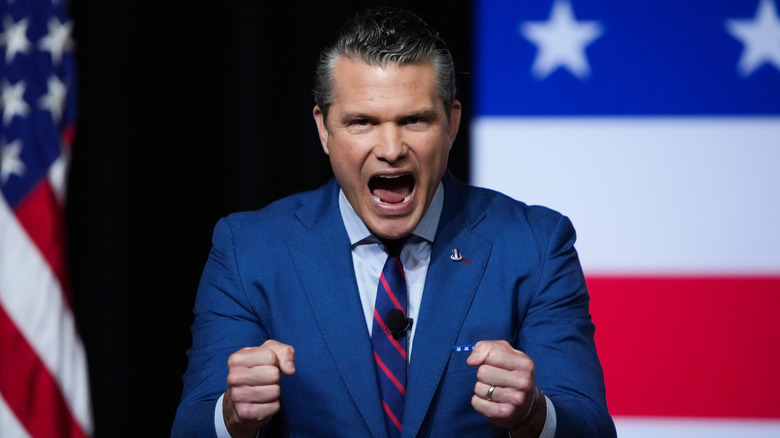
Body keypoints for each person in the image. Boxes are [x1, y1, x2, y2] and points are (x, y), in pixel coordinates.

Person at [172, 7, 615, 438]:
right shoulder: (248, 249)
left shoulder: (534, 245)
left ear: (451, 122)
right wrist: (232, 415)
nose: (390, 148)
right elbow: (191, 427)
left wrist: (533, 413)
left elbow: (591, 426)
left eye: (414, 120)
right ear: (324, 130)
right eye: (362, 122)